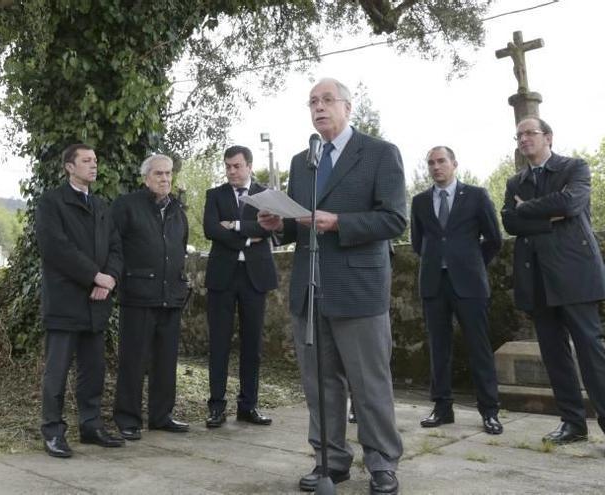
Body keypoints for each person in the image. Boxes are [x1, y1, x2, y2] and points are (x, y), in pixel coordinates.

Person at [258, 78, 405, 494]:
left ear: (347, 107)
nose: (318, 108)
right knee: (319, 383)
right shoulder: (303, 160)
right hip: (310, 288)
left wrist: (339, 222)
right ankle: (329, 460)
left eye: (326, 101)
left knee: (369, 383)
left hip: (358, 288)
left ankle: (381, 463)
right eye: (312, 103)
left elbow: (394, 219)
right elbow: (300, 224)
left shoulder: (379, 154)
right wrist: (277, 225)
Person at [502, 116, 605, 445]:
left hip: (575, 275)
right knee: (554, 354)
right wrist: (549, 217)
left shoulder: (575, 168)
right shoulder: (514, 182)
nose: (523, 139)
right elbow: (510, 222)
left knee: (591, 352)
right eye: (518, 136)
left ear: (548, 137)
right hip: (537, 278)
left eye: (530, 133)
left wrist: (528, 210)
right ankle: (573, 423)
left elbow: (570, 203)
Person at [36, 143, 124, 458]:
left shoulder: (102, 205)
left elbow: (115, 246)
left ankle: (90, 426)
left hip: (97, 301)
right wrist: (93, 276)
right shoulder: (51, 202)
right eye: (86, 160)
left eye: (95, 160)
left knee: (93, 369)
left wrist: (110, 278)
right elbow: (55, 248)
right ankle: (53, 431)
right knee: (57, 370)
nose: (93, 165)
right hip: (65, 300)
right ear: (69, 167)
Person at [411, 146, 503, 435]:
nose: (436, 167)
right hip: (433, 284)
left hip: (470, 284)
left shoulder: (476, 196)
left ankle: (489, 411)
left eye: (441, 161)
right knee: (438, 348)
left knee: (479, 348)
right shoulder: (420, 201)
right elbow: (418, 243)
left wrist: (472, 263)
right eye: (431, 163)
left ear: (454, 164)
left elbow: (494, 239)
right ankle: (442, 408)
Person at [111, 154, 190, 440]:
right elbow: (113, 246)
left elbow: (179, 247)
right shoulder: (127, 206)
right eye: (159, 174)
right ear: (146, 177)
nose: (165, 179)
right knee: (133, 360)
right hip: (137, 294)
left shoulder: (177, 210)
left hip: (171, 295)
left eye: (169, 174)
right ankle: (127, 418)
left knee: (166, 361)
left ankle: (161, 415)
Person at [203, 145, 279, 428]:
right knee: (219, 343)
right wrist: (249, 236)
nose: (231, 171)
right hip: (222, 276)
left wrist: (234, 226)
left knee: (252, 345)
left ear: (248, 165)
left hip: (255, 277)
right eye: (227, 166)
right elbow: (211, 229)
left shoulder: (266, 195)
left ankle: (248, 406)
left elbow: (268, 229)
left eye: (236, 166)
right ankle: (216, 407)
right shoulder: (215, 195)